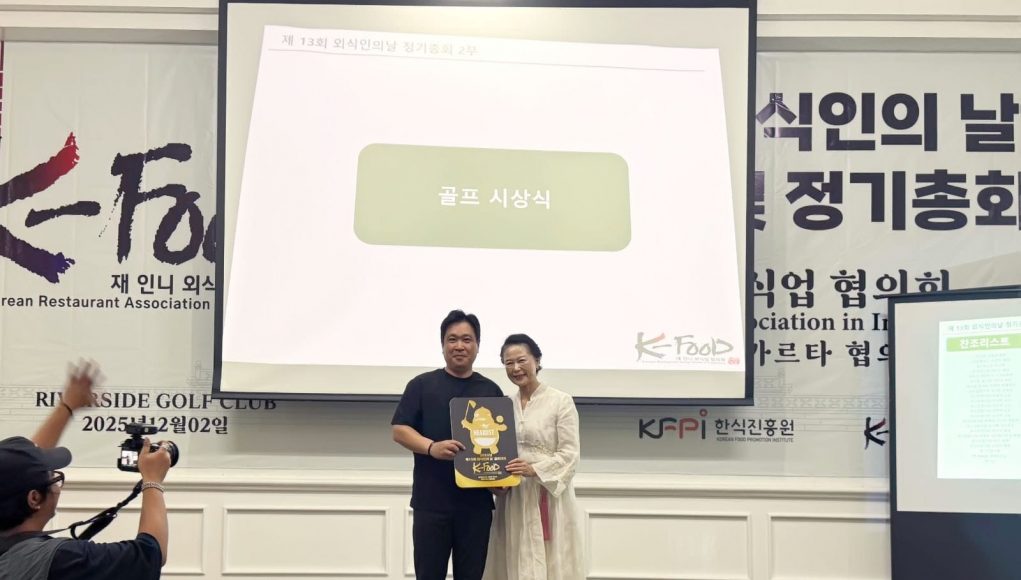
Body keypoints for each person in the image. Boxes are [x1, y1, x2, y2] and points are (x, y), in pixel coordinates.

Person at [0, 361, 172, 580]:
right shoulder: (61, 559)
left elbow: (19, 468)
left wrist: (67, 406)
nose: (57, 483)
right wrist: (152, 480)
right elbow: (151, 555)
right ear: (34, 499)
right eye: (54, 477)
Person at [392, 310, 504, 580]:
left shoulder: (491, 390)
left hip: (476, 506)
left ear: (477, 345)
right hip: (431, 503)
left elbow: (501, 445)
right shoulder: (421, 385)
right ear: (442, 344)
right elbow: (399, 430)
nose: (459, 346)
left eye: (467, 339)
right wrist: (432, 448)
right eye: (452, 339)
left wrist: (499, 480)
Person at [483, 334, 584, 580]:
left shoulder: (560, 401)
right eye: (508, 363)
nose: (516, 368)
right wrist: (495, 481)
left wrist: (534, 470)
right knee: (512, 557)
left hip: (547, 494)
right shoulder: (503, 406)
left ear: (537, 361)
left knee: (551, 558)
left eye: (521, 360)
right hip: (513, 495)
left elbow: (570, 454)